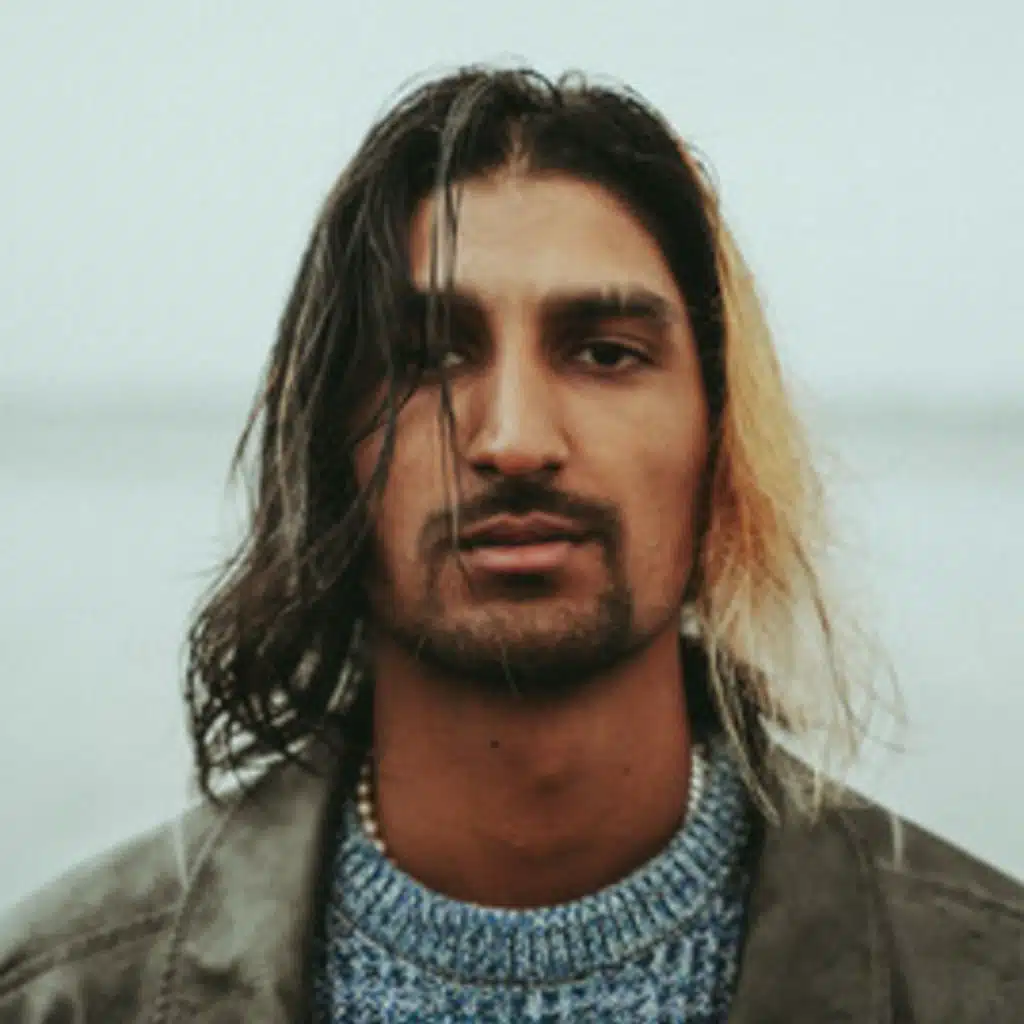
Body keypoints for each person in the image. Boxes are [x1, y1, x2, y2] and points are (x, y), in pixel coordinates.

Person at [1, 65, 1020, 1024]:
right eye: (428, 357)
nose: (516, 439)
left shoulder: (979, 982)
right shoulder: (63, 994)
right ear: (323, 451)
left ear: (721, 438)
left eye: (605, 353)